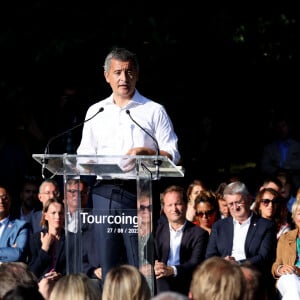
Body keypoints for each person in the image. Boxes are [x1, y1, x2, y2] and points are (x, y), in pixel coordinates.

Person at [76, 47, 180, 279]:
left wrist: (149, 153)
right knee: (109, 265)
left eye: (129, 72)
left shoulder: (153, 111)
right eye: (118, 72)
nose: (124, 78)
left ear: (137, 74)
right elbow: (83, 157)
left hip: (138, 193)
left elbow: (173, 152)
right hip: (103, 194)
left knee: (139, 263)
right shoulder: (96, 111)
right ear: (106, 76)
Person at [205, 181, 277, 299]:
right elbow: (209, 256)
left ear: (248, 199)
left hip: (251, 274)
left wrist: (238, 264)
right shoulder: (219, 226)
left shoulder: (265, 226)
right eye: (230, 204)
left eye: (238, 202)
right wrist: (223, 262)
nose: (235, 207)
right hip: (223, 273)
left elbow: (264, 257)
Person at [154, 185, 209, 296]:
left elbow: (195, 263)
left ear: (186, 205)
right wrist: (154, 266)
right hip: (161, 282)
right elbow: (149, 256)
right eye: (169, 205)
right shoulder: (157, 231)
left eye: (178, 204)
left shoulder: (199, 234)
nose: (174, 209)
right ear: (164, 208)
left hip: (186, 283)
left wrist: (172, 270)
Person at [28, 197, 65, 280]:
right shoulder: (36, 239)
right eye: (53, 213)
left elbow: (73, 267)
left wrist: (60, 276)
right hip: (41, 283)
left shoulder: (70, 238)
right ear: (45, 216)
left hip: (63, 284)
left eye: (61, 213)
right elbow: (32, 272)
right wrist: (44, 249)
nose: (57, 216)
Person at [260, 114, 300, 189]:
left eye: (283, 126)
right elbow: (264, 166)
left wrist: (285, 166)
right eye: (278, 127)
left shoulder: (297, 146)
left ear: (289, 127)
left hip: (296, 185)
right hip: (275, 185)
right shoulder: (269, 148)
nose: (281, 129)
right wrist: (277, 171)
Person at [271, 199, 300, 300]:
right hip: (287, 278)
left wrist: (298, 270)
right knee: (291, 279)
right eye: (299, 214)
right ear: (294, 217)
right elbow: (276, 264)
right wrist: (280, 269)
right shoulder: (285, 237)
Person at [0, 184, 30, 263]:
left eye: (5, 198)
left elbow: (18, 254)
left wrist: (13, 252)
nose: (1, 201)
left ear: (10, 200)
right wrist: (9, 250)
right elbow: (12, 253)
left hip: (7, 274)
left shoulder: (21, 226)